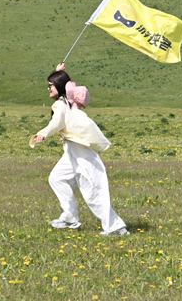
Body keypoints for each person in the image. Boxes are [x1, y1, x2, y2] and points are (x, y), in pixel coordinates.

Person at [32, 63, 128, 236]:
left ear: (59, 86)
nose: (48, 88)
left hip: (81, 151)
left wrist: (43, 134)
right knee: (57, 178)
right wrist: (59, 72)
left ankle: (115, 227)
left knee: (93, 188)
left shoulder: (62, 104)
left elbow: (57, 123)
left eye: (51, 85)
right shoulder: (67, 101)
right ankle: (70, 217)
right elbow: (67, 87)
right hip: (71, 150)